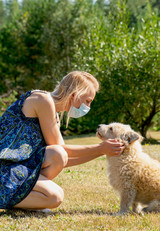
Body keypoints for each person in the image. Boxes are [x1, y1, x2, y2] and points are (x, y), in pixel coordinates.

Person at [0, 71, 125, 210]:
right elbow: (61, 150)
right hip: (5, 167)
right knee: (54, 195)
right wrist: (100, 148)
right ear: (74, 94)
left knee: (55, 185)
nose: (88, 107)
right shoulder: (43, 100)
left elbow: (62, 159)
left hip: (18, 167)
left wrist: (102, 151)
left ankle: (14, 195)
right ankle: (8, 194)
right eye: (87, 101)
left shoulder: (55, 115)